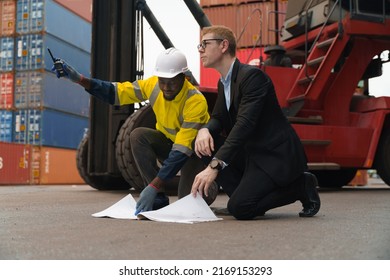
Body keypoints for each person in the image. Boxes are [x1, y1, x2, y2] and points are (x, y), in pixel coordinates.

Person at [51, 47, 218, 214]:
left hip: (193, 154)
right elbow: (116, 92)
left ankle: (209, 187)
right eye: (163, 81)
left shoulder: (195, 101)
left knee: (187, 203)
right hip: (170, 145)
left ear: (185, 78)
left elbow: (182, 150)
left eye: (172, 82)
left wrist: (152, 185)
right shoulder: (153, 85)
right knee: (138, 136)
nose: (166, 87)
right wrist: (80, 79)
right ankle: (158, 198)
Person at [191, 25, 321, 220]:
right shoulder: (223, 82)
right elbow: (218, 117)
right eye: (199, 45)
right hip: (251, 153)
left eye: (205, 44)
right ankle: (242, 197)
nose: (200, 49)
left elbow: (244, 125)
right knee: (204, 145)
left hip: (273, 154)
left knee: (241, 209)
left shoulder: (252, 77)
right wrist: (205, 130)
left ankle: (300, 186)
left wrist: (213, 167)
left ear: (224, 45)